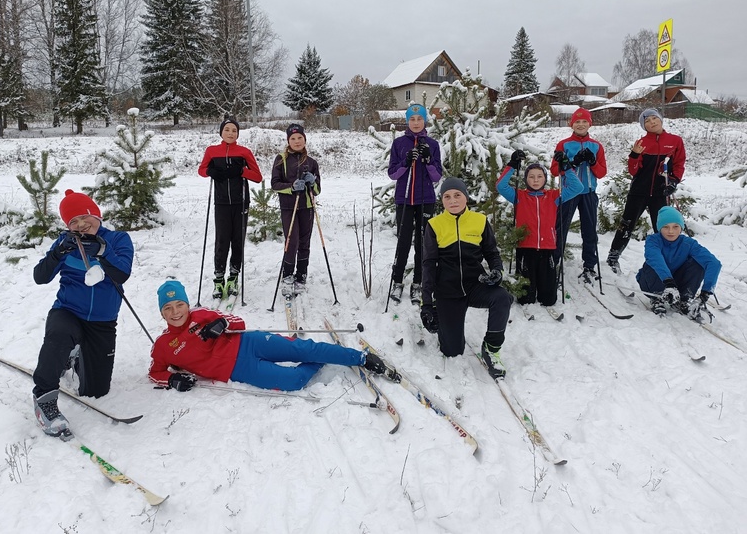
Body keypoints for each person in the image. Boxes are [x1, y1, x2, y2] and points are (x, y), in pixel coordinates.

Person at [149, 280, 390, 392]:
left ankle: (360, 358)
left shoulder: (201, 314)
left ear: (187, 304)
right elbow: (154, 372)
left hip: (248, 342)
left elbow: (237, 321)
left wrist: (222, 324)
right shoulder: (163, 346)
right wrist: (172, 380)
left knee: (304, 349)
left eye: (179, 305)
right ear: (162, 313)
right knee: (293, 381)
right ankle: (321, 359)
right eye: (168, 308)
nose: (175, 312)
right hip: (237, 370)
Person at [31, 190, 134, 439]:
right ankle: (44, 399)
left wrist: (102, 251)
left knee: (96, 391)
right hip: (68, 311)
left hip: (102, 321)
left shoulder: (119, 239)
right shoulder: (64, 242)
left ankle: (74, 359)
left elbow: (121, 274)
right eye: (72, 221)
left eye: (83, 217)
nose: (80, 224)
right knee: (58, 336)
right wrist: (58, 253)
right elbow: (40, 277)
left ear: (95, 215)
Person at [420, 178, 513, 378]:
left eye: (457, 195)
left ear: (465, 197)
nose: (452, 200)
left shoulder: (479, 221)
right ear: (442, 200)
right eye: (447, 196)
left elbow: (492, 253)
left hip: (475, 285)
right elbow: (428, 265)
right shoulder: (434, 225)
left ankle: (491, 348)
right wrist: (427, 304)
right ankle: (445, 327)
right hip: (447, 291)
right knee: (452, 351)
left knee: (502, 298)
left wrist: (497, 271)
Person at [497, 153, 582, 307]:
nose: (535, 180)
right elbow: (500, 186)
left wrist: (566, 167)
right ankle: (529, 295)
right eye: (531, 177)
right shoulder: (519, 196)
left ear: (544, 179)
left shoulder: (554, 196)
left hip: (547, 248)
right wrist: (511, 165)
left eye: (539, 176)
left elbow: (578, 187)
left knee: (549, 299)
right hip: (525, 249)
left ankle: (544, 292)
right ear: (525, 179)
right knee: (525, 298)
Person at [606, 108, 686, 272]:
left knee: (663, 227)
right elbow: (633, 170)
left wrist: (673, 181)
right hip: (638, 192)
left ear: (661, 119)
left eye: (654, 118)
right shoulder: (641, 143)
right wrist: (634, 155)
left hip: (660, 193)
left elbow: (679, 164)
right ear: (644, 126)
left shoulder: (675, 141)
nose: (652, 122)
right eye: (647, 121)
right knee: (626, 224)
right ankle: (613, 258)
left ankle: (666, 261)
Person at [198, 117, 263, 299]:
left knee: (237, 240)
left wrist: (241, 171)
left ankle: (233, 277)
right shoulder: (212, 151)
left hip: (241, 202)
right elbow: (201, 170)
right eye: (227, 129)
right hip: (221, 202)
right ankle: (219, 280)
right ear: (221, 132)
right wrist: (211, 171)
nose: (230, 133)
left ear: (238, 134)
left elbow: (258, 177)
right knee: (222, 240)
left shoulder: (244, 152)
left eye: (234, 130)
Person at [387, 104, 443, 305]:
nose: (416, 122)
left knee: (423, 244)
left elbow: (437, 176)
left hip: (425, 200)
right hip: (404, 200)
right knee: (403, 243)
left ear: (425, 121)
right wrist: (405, 162)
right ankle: (397, 280)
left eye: (420, 119)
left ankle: (419, 282)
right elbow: (392, 174)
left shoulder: (433, 144)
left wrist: (428, 160)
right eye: (412, 119)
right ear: (407, 121)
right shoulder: (399, 143)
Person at [550, 108, 608, 282]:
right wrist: (572, 163)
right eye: (577, 122)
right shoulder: (564, 144)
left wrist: (592, 162)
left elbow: (602, 172)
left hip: (589, 192)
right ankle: (554, 262)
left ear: (590, 123)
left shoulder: (596, 146)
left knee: (589, 230)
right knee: (561, 228)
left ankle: (589, 265)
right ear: (572, 124)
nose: (581, 125)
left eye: (584, 122)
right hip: (568, 192)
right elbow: (554, 170)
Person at [636, 206, 721, 319]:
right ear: (659, 228)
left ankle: (684, 298)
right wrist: (669, 282)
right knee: (654, 264)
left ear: (681, 227)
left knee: (698, 264)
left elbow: (713, 263)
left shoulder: (688, 243)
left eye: (675, 226)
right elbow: (654, 257)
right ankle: (657, 299)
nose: (671, 231)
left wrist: (705, 294)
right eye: (666, 227)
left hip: (677, 283)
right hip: (652, 283)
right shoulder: (653, 240)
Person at [270, 123, 320, 296]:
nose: (297, 141)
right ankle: (288, 276)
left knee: (304, 243)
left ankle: (301, 275)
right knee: (291, 242)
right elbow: (274, 185)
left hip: (306, 207)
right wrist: (292, 186)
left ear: (305, 140)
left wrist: (312, 183)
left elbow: (318, 190)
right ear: (288, 141)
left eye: (300, 138)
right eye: (293, 138)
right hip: (289, 207)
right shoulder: (281, 159)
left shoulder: (312, 162)